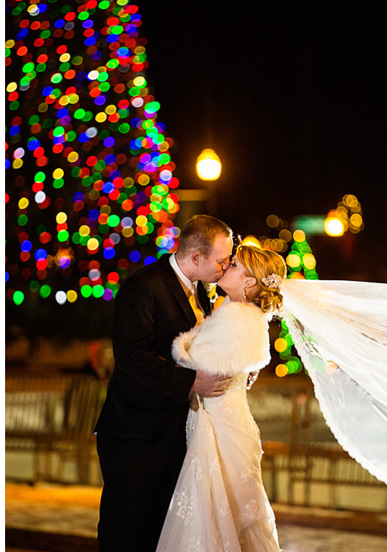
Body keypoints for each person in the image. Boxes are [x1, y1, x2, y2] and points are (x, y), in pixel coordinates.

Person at [94, 214, 235, 552]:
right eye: (222, 259)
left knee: (160, 532)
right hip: (136, 434)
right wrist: (191, 383)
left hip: (173, 434)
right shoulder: (143, 286)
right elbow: (131, 355)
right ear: (196, 257)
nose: (226, 266)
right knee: (127, 531)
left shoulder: (201, 292)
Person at [157, 244, 286, 551]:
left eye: (236, 264)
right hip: (230, 422)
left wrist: (182, 344)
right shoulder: (247, 316)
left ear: (249, 282)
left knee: (215, 515)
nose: (226, 265)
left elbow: (198, 366)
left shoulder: (235, 318)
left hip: (220, 427)